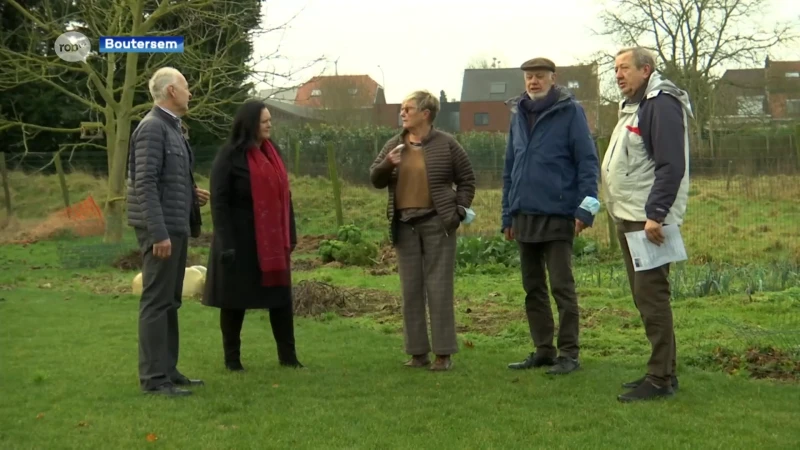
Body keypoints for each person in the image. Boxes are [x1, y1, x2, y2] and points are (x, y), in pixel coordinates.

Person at [602, 47, 693, 402]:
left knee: (651, 296)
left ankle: (658, 379)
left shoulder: (660, 104)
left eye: (624, 68)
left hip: (647, 221)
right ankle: (663, 373)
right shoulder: (636, 106)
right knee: (645, 297)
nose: (618, 74)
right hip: (631, 216)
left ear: (646, 69)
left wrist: (656, 213)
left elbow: (671, 165)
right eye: (615, 69)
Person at [502, 58, 600, 376]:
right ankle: (544, 350)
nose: (533, 82)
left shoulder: (570, 111)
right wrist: (507, 214)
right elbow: (510, 166)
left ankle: (569, 353)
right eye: (529, 77)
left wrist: (586, 208)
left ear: (553, 78)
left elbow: (587, 161)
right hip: (524, 214)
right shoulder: (517, 114)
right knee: (533, 287)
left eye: (540, 76)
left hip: (559, 213)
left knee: (562, 286)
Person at [369, 90, 475, 371]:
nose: (402, 113)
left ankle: (443, 354)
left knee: (439, 290)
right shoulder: (394, 144)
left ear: (425, 114)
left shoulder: (447, 144)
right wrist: (386, 164)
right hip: (404, 226)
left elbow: (467, 179)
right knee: (410, 291)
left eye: (408, 109)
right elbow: (375, 179)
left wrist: (459, 211)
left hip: (437, 224)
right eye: (402, 109)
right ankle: (417, 354)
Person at [201, 100, 302, 372]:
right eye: (264, 120)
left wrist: (290, 232)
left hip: (272, 242)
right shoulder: (229, 156)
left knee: (281, 299)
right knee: (235, 301)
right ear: (249, 124)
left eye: (270, 120)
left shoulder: (274, 153)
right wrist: (225, 242)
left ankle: (289, 357)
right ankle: (232, 359)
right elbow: (219, 203)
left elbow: (285, 197)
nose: (270, 124)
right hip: (240, 240)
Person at [126, 67, 209, 396]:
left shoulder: (174, 129)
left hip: (175, 226)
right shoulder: (153, 128)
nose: (190, 93)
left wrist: (192, 193)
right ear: (172, 92)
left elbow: (164, 179)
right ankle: (154, 380)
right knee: (156, 302)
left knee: (170, 302)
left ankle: (168, 370)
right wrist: (158, 232)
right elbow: (143, 183)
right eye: (186, 87)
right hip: (160, 230)